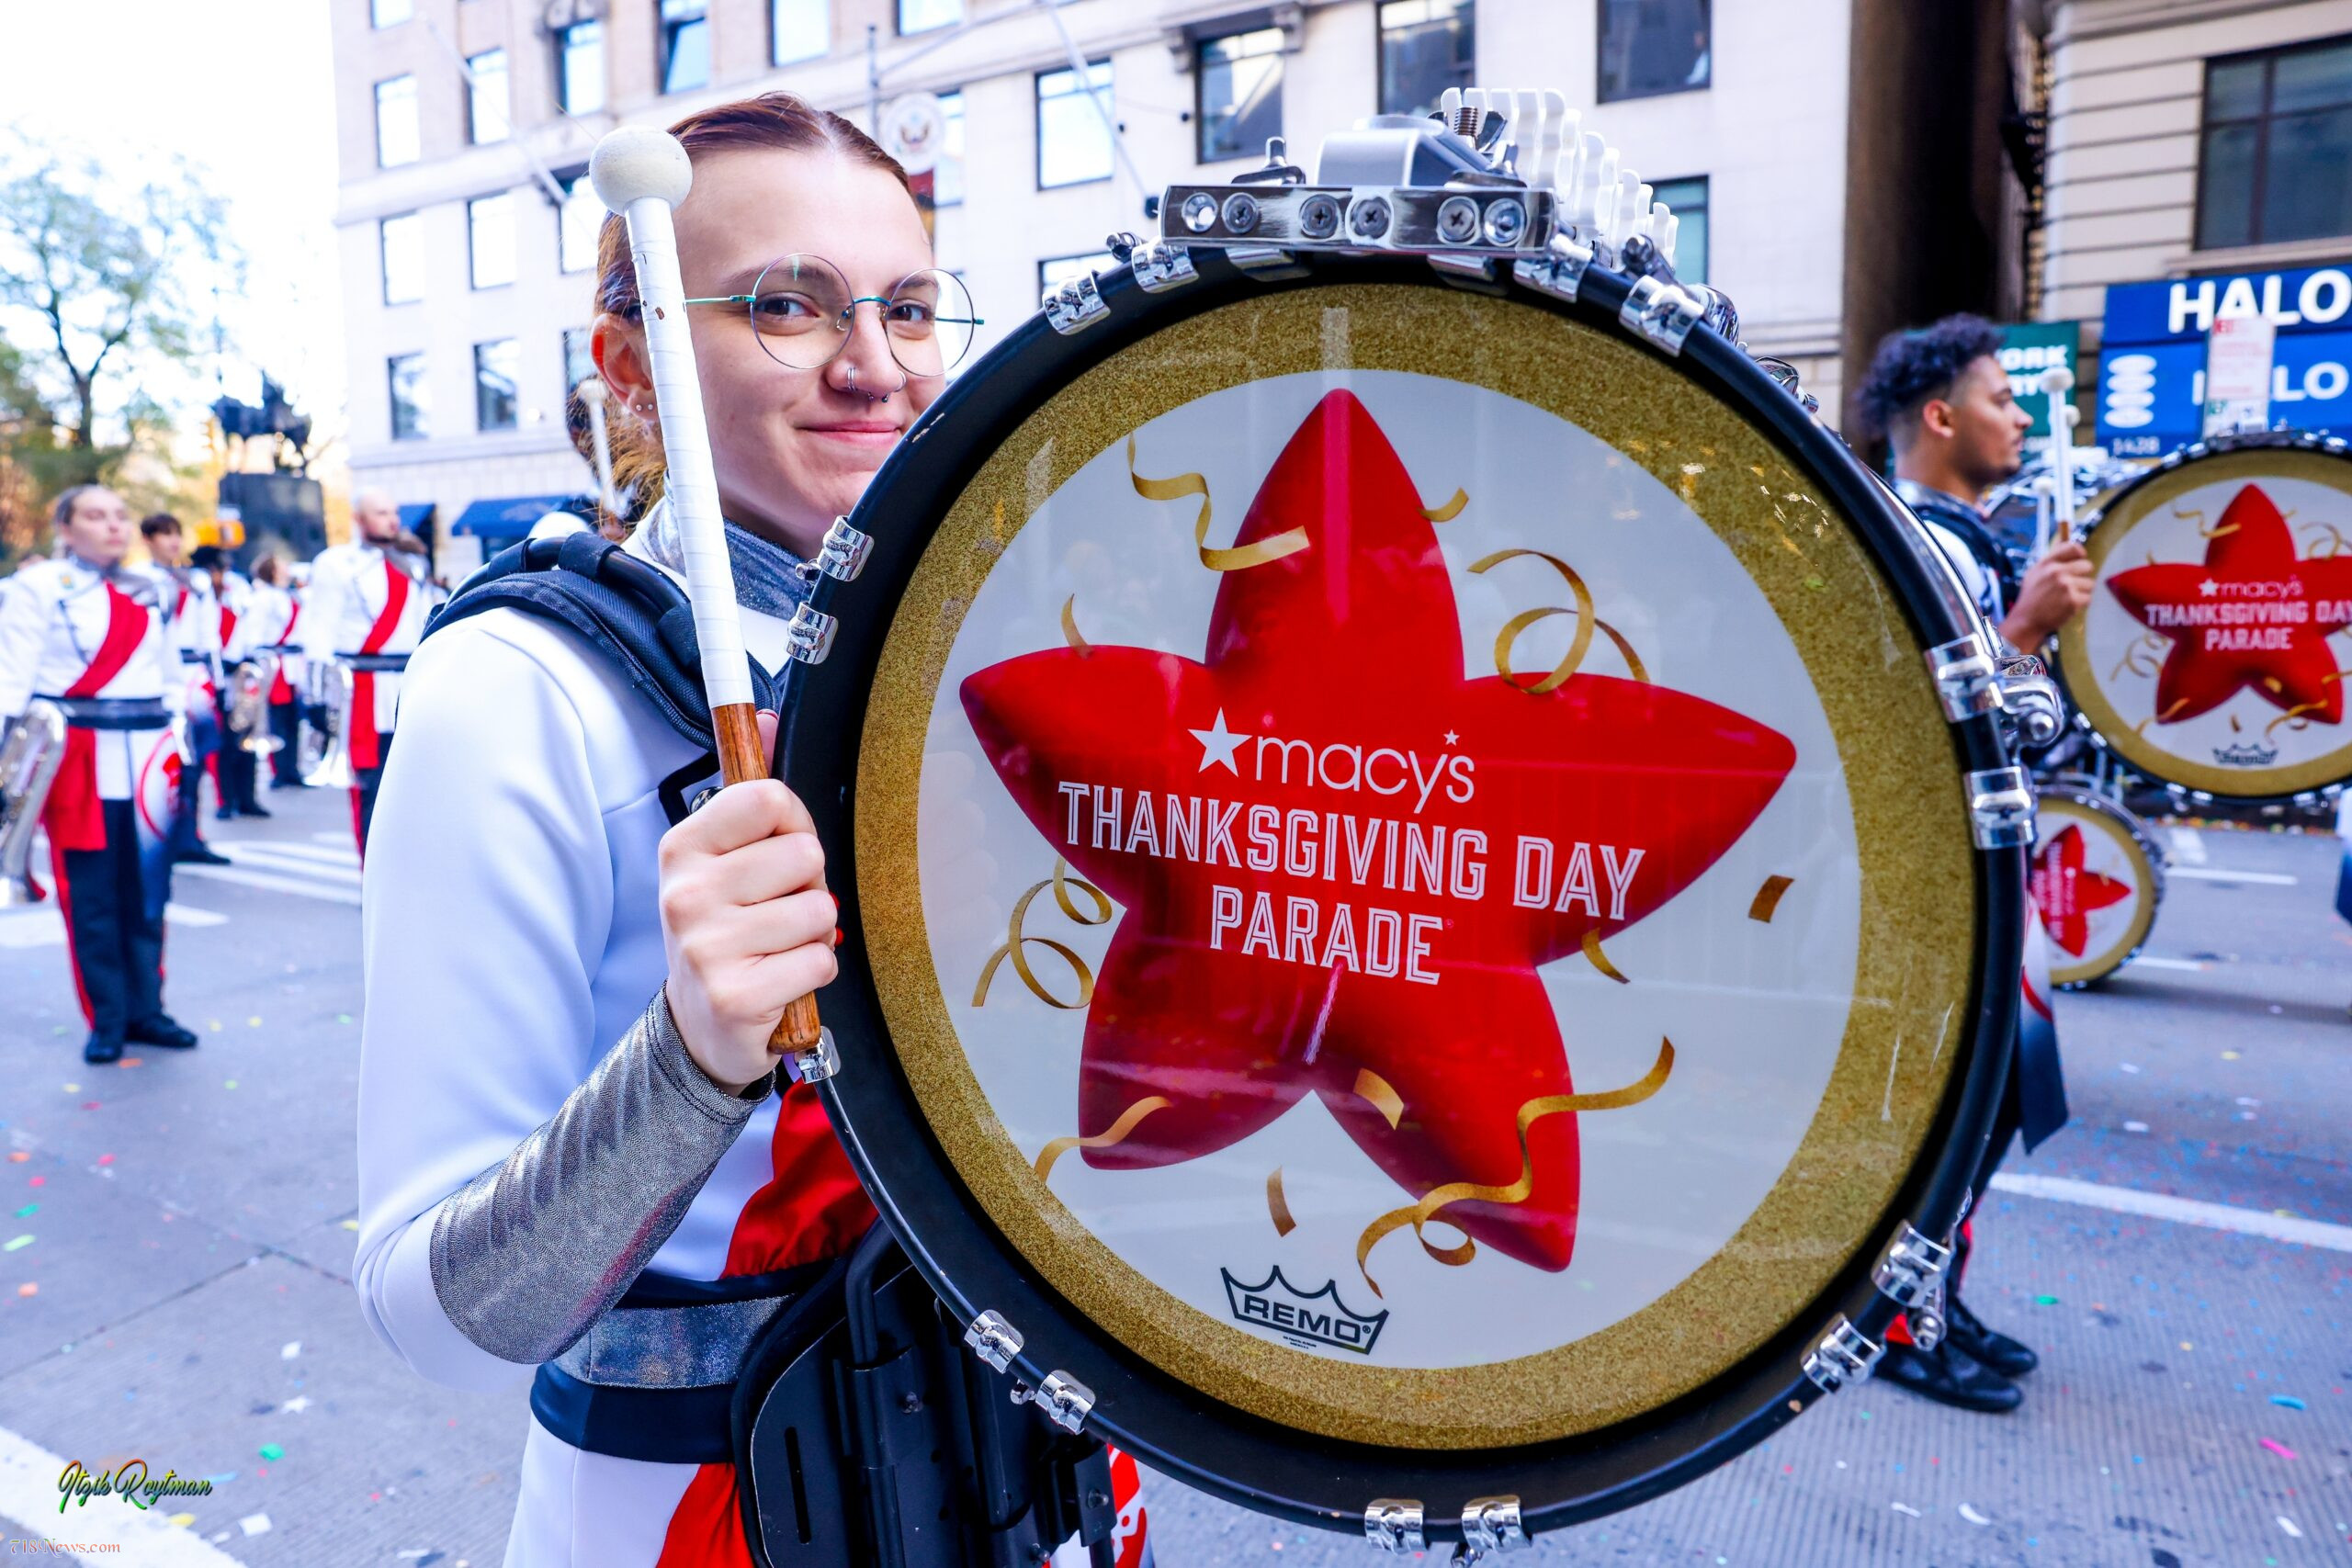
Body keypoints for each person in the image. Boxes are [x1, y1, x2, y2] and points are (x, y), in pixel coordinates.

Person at [354, 95, 1148, 1568]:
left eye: (911, 306)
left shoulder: (998, 636)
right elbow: (435, 1312)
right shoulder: (524, 690)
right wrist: (695, 1052)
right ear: (631, 364)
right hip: (712, 1509)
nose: (875, 363)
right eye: (789, 304)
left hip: (1042, 1484)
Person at [1854, 316, 2096, 1416]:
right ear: (1940, 416)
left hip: (1985, 876)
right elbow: (1915, 724)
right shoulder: (1906, 538)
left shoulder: (1966, 535)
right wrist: (2027, 629)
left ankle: (1937, 1299)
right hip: (1936, 888)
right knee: (1949, 1111)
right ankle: (1904, 1324)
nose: (2020, 419)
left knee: (1989, 1105)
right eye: (2001, 398)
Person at [0, 486, 199, 1064]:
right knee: (90, 894)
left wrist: (179, 743)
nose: (113, 526)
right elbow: (13, 679)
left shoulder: (154, 588)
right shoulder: (37, 587)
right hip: (78, 754)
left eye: (119, 516)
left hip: (148, 754)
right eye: (95, 516)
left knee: (149, 890)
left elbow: (171, 674)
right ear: (65, 529)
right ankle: (107, 1017)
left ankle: (149, 1010)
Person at [301, 490, 428, 856]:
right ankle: (373, 873)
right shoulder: (336, 563)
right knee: (371, 789)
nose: (392, 520)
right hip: (363, 687)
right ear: (359, 519)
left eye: (394, 512)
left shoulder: (413, 564)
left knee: (413, 788)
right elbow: (320, 627)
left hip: (406, 683)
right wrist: (316, 695)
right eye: (381, 513)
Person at [141, 513, 232, 866]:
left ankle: (190, 835)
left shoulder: (197, 580)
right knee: (167, 762)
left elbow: (211, 631)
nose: (173, 541)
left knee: (196, 761)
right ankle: (162, 834)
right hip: (160, 675)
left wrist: (217, 680)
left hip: (195, 675)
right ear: (149, 539)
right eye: (165, 534)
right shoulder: (139, 578)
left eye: (176, 533)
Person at [194, 544, 266, 819]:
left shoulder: (237, 588)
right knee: (222, 742)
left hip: (240, 669)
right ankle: (226, 799)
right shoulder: (198, 591)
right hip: (214, 673)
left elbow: (249, 623)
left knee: (246, 733)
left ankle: (248, 797)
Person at [245, 553, 307, 787]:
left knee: (292, 718)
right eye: (282, 565)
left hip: (290, 662)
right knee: (277, 718)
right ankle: (279, 769)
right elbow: (255, 631)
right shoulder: (263, 598)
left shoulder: (290, 595)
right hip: (274, 661)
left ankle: (292, 768)